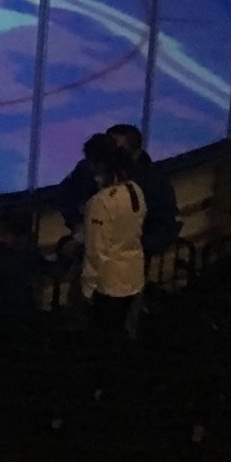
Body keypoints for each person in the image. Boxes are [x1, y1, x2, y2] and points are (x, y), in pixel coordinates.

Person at [80, 143, 146, 338]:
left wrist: (88, 287)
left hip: (109, 283)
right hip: (134, 274)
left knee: (104, 335)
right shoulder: (135, 190)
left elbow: (96, 250)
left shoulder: (102, 201)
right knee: (125, 331)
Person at [106, 124, 180, 261]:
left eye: (118, 149)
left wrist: (131, 247)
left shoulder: (154, 183)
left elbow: (165, 228)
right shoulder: (101, 168)